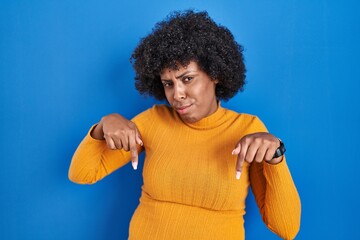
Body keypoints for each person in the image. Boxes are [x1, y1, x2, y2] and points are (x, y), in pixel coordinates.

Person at [68, 10, 301, 240]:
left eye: (187, 79)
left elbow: (286, 228)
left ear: (215, 74)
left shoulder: (247, 129)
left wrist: (276, 156)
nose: (177, 94)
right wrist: (102, 126)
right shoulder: (153, 120)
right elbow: (82, 173)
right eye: (168, 84)